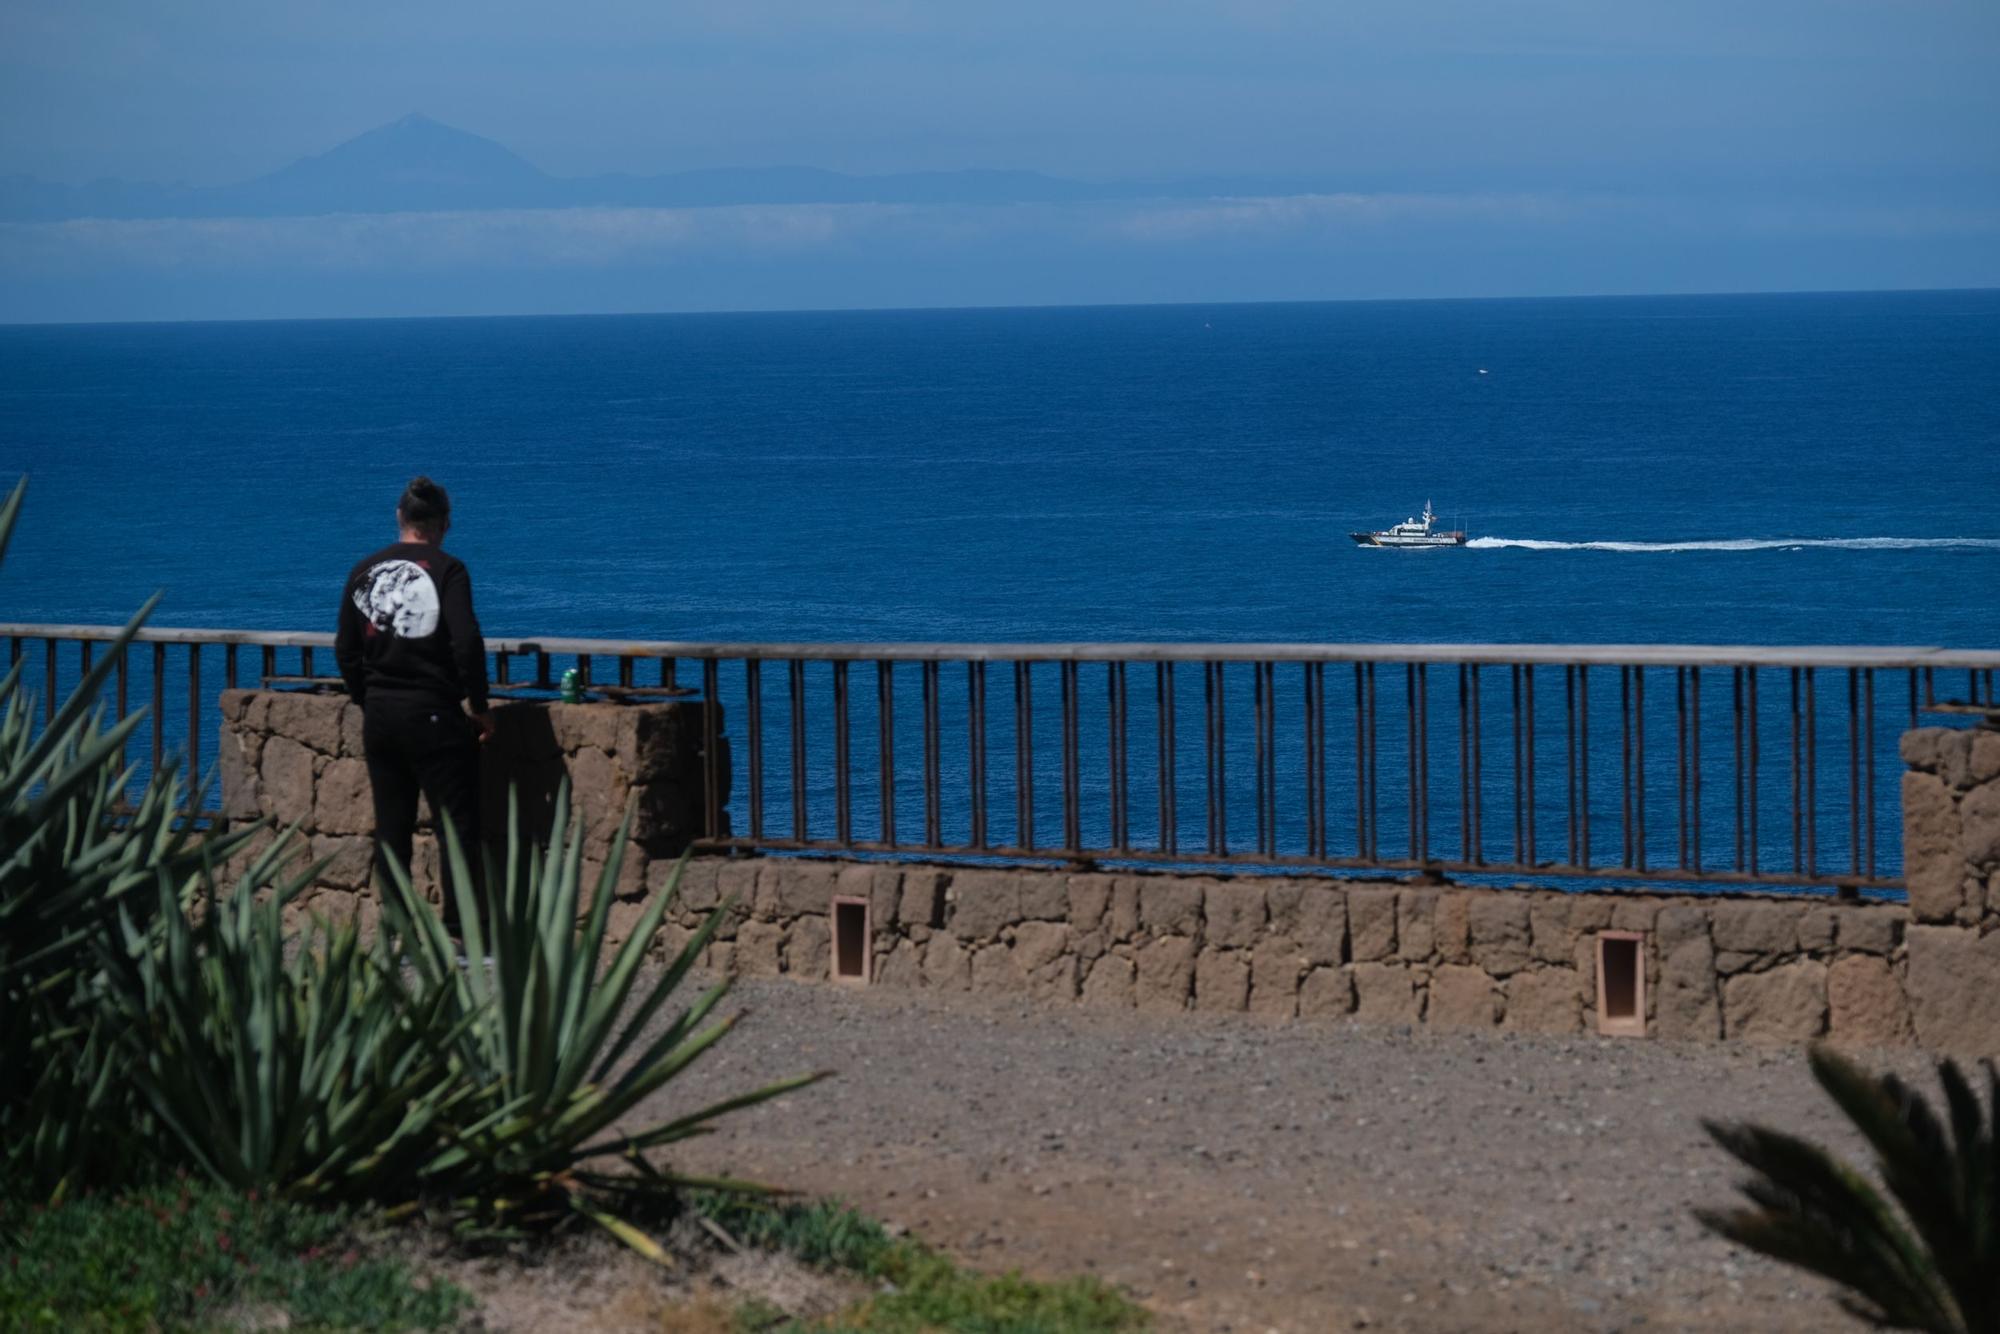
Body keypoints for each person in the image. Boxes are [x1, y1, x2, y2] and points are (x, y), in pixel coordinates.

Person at [335, 476, 494, 926]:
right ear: (444, 523)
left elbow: (346, 650)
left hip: (381, 716)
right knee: (456, 829)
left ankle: (398, 934)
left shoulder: (363, 571)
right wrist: (479, 705)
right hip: (434, 714)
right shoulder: (448, 570)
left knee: (392, 830)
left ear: (400, 518)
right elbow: (466, 642)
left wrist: (369, 698)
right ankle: (460, 934)